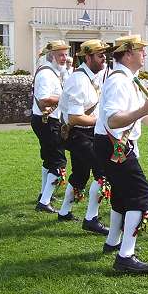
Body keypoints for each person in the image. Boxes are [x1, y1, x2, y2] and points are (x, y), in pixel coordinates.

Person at [94, 35, 148, 273]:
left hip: (113, 144)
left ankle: (113, 242)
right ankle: (126, 256)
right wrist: (145, 108)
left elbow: (141, 115)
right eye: (141, 50)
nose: (145, 54)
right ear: (128, 53)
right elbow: (113, 120)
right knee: (141, 195)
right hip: (114, 144)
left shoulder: (129, 79)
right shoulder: (119, 81)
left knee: (122, 195)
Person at [56, 39, 110, 235]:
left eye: (105, 54)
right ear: (87, 58)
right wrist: (103, 122)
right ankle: (91, 219)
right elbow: (74, 117)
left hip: (83, 132)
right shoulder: (79, 80)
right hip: (77, 133)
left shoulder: (93, 77)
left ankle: (64, 212)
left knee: (80, 174)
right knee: (103, 171)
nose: (104, 58)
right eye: (100, 55)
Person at [32, 40, 70, 214]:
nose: (65, 58)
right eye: (61, 55)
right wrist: (66, 98)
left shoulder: (50, 71)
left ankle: (44, 195)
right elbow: (43, 100)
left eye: (65, 54)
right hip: (47, 122)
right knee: (58, 162)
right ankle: (44, 201)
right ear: (51, 56)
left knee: (49, 159)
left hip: (45, 121)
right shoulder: (47, 74)